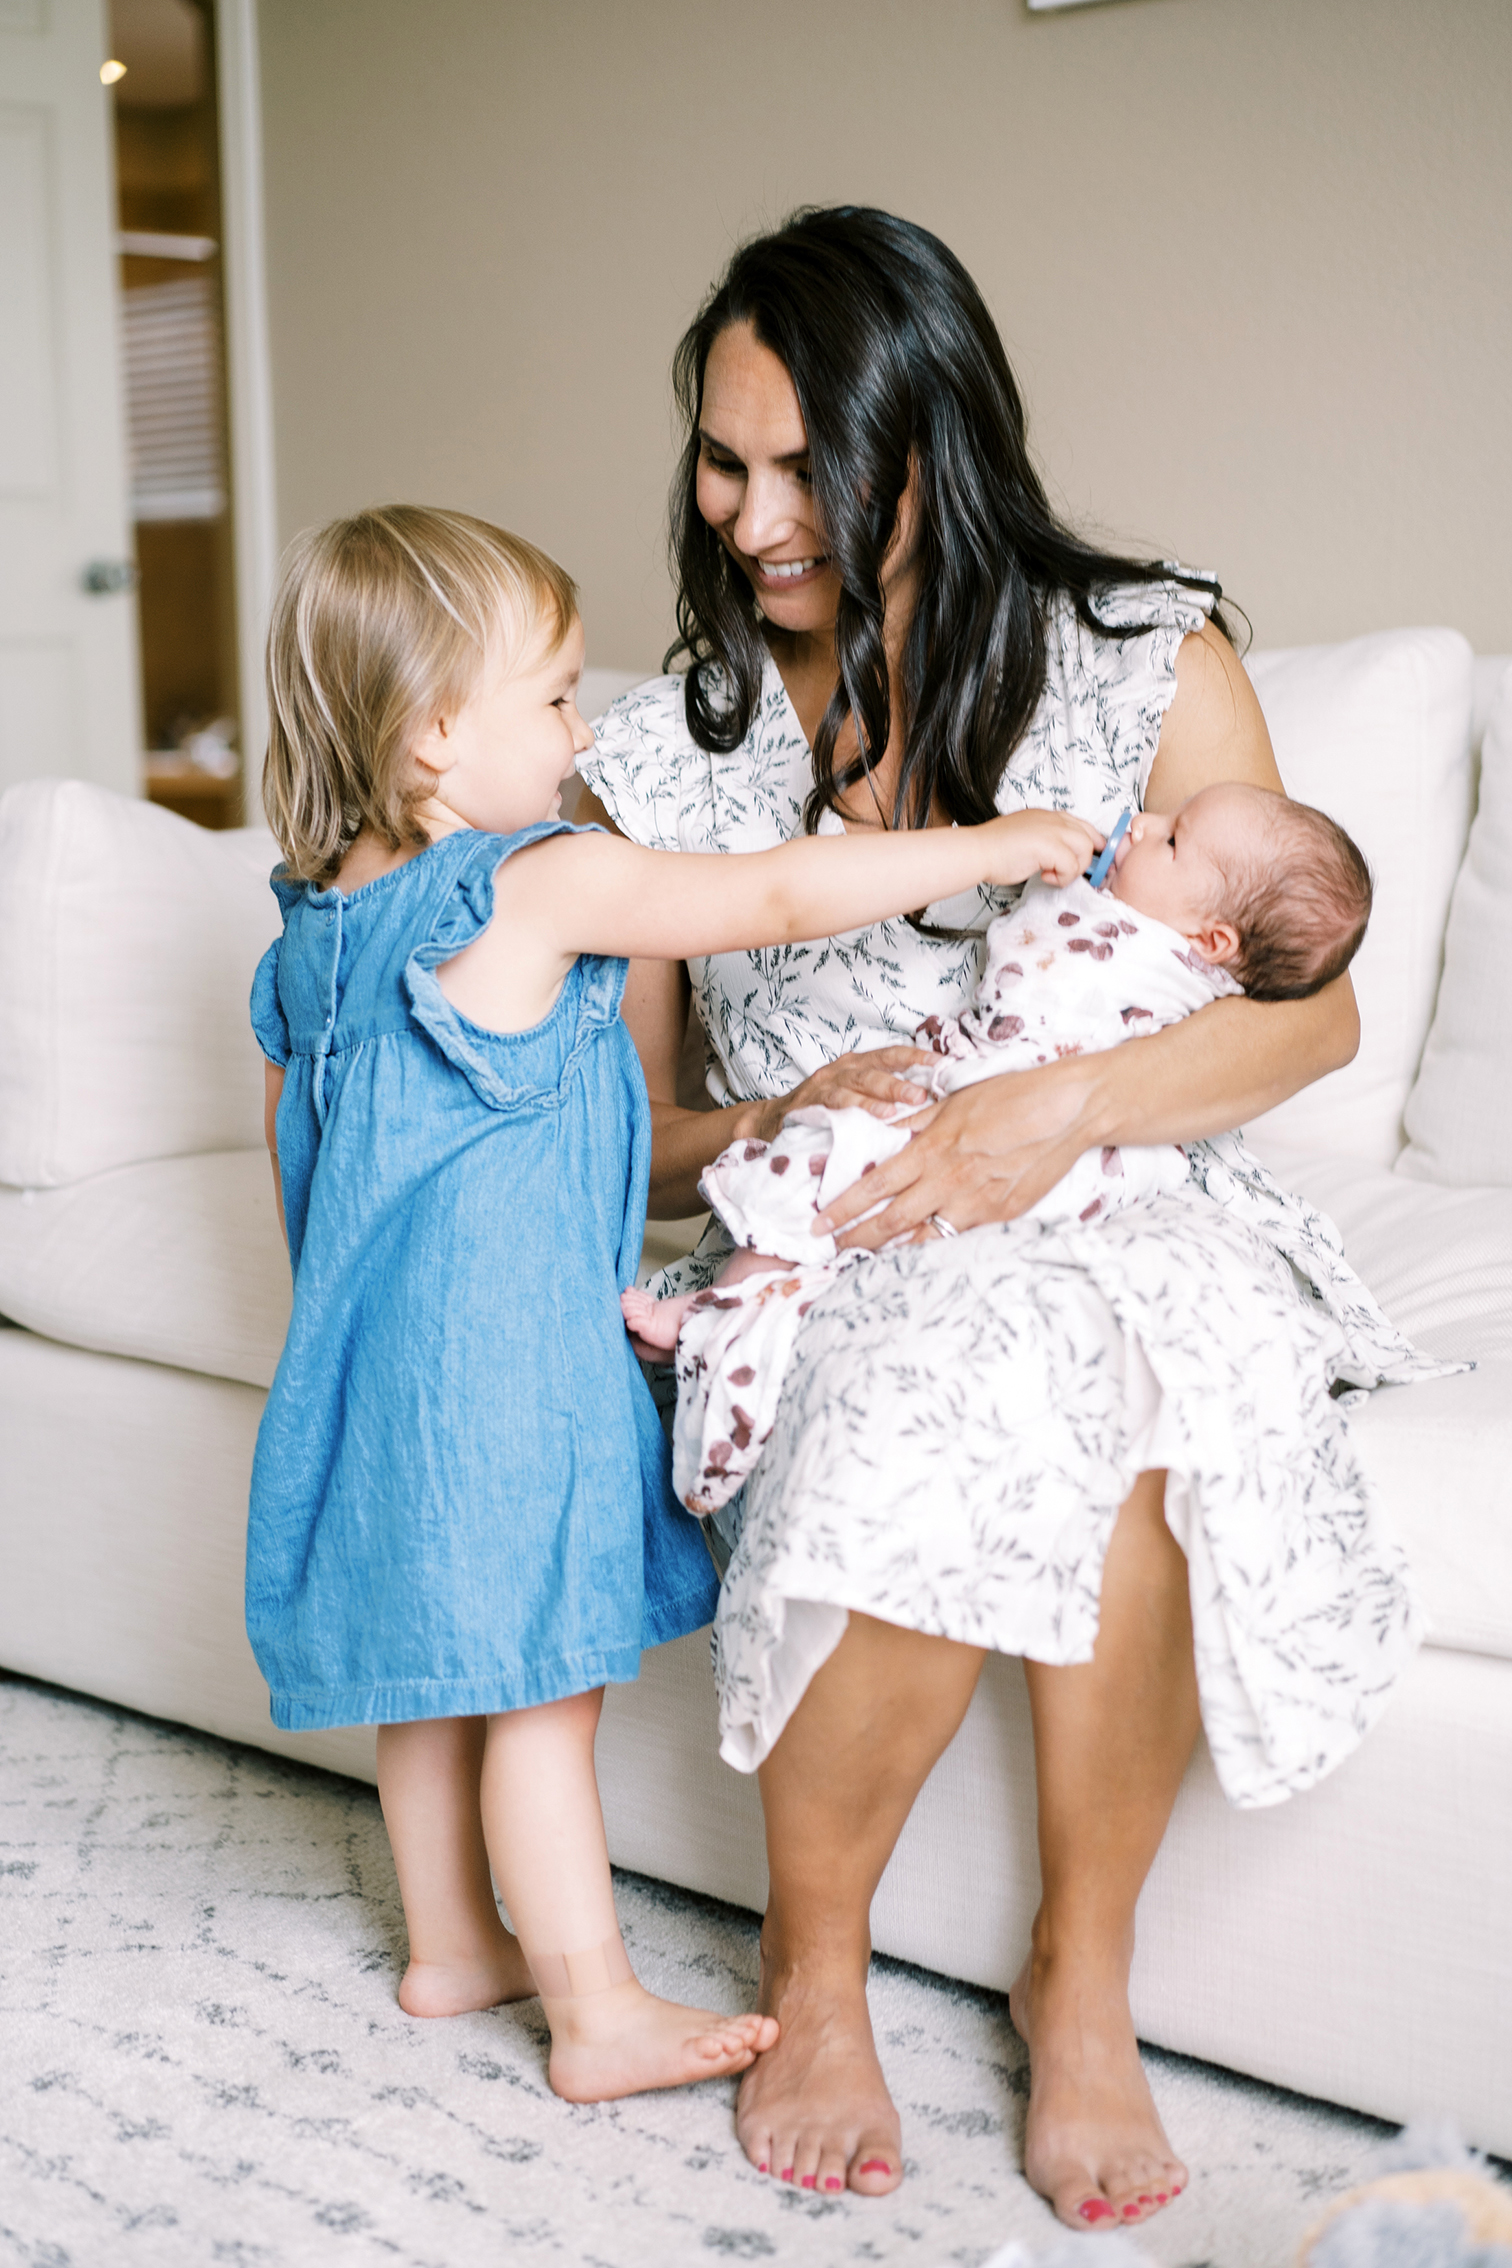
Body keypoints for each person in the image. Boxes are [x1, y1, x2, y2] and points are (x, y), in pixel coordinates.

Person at [572, 208, 1447, 2225]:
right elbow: (628, 1148)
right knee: (948, 1350)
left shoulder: (1145, 659)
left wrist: (1053, 1115)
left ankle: (1084, 1985)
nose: (753, 513)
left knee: (1111, 1357)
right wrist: (784, 1115)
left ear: (932, 444)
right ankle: (815, 1977)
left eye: (810, 468)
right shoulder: (658, 762)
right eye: (725, 460)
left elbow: (1300, 1028)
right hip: (844, 1213)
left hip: (1114, 1173)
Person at [247, 503, 1102, 2109]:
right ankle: (594, 2007)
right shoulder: (533, 883)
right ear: (436, 736)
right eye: (557, 699)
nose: (585, 733)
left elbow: (299, 1161)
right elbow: (773, 895)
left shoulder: (313, 933)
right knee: (538, 1698)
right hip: (505, 1368)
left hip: (358, 1362)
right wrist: (990, 848)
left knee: (431, 1677)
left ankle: (451, 1943)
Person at [622, 782, 1380, 1518]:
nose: (1143, 822)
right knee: (842, 1199)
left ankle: (731, 1327)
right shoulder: (646, 780)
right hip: (954, 1110)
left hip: (1074, 1162)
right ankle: (736, 1325)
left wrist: (1063, 1101)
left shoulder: (1162, 961)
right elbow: (632, 1146)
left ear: (1213, 942)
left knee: (868, 1213)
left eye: (1172, 837)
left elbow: (1305, 1021)